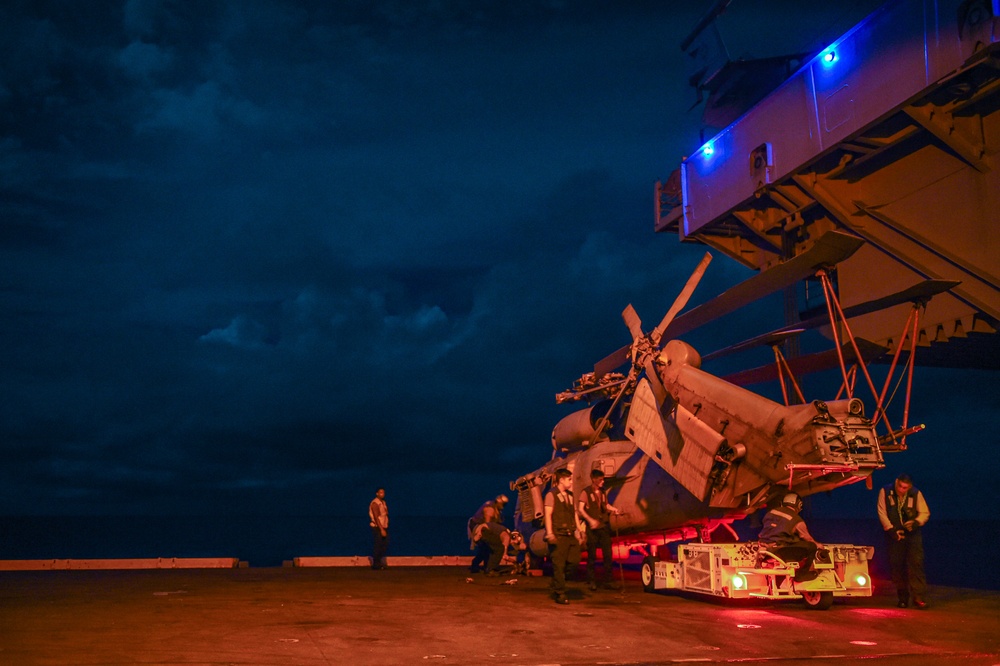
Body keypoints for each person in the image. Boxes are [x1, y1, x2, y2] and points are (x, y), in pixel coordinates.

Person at [877, 473, 930, 609]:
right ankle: (902, 598)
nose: (901, 490)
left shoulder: (916, 493)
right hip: (895, 534)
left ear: (909, 487)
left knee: (916, 564)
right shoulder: (885, 491)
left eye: (905, 488)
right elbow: (882, 512)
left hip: (912, 535)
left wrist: (916, 522)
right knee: (897, 566)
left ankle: (919, 597)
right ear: (896, 482)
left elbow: (925, 512)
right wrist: (890, 530)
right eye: (900, 486)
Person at [758, 492, 823, 581]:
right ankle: (801, 575)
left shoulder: (771, 512)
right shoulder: (797, 520)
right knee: (811, 546)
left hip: (764, 548)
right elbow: (808, 538)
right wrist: (818, 545)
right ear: (798, 505)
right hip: (779, 551)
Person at [544, 468, 585, 604]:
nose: (571, 482)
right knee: (559, 566)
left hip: (570, 534)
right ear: (561, 480)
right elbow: (548, 515)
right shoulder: (551, 495)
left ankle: (556, 582)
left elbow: (574, 513)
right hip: (558, 535)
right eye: (569, 479)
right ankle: (560, 593)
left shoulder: (571, 495)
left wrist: (579, 530)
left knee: (574, 562)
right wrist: (549, 533)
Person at [578, 468, 622, 591]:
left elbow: (605, 505)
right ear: (594, 479)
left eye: (603, 479)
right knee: (591, 555)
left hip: (603, 526)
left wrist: (614, 509)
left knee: (608, 554)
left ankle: (609, 580)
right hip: (592, 529)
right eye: (600, 479)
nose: (603, 481)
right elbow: (580, 509)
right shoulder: (585, 492)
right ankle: (591, 580)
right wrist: (590, 520)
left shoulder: (602, 492)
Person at [468, 494, 509, 573]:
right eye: (503, 504)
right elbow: (488, 525)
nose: (503, 506)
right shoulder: (490, 509)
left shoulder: (495, 508)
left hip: (480, 527)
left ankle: (477, 565)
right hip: (480, 528)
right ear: (498, 502)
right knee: (497, 546)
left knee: (486, 548)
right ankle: (490, 568)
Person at [368, 487, 389, 570]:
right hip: (377, 527)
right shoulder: (375, 503)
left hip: (384, 526)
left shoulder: (383, 502)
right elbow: (376, 517)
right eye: (380, 492)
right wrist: (381, 529)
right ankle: (376, 564)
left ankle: (379, 561)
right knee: (378, 545)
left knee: (384, 544)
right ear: (377, 493)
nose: (382, 494)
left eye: (383, 492)